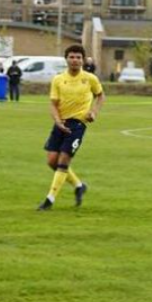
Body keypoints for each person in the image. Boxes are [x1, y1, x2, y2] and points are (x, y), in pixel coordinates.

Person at [37, 45, 105, 211]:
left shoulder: (90, 78)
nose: (75, 60)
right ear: (66, 59)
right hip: (60, 124)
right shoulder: (58, 79)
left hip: (77, 125)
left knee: (63, 161)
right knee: (52, 161)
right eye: (72, 57)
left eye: (78, 57)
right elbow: (53, 104)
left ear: (83, 60)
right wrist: (57, 120)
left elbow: (101, 95)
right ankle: (79, 185)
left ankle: (49, 200)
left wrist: (94, 112)